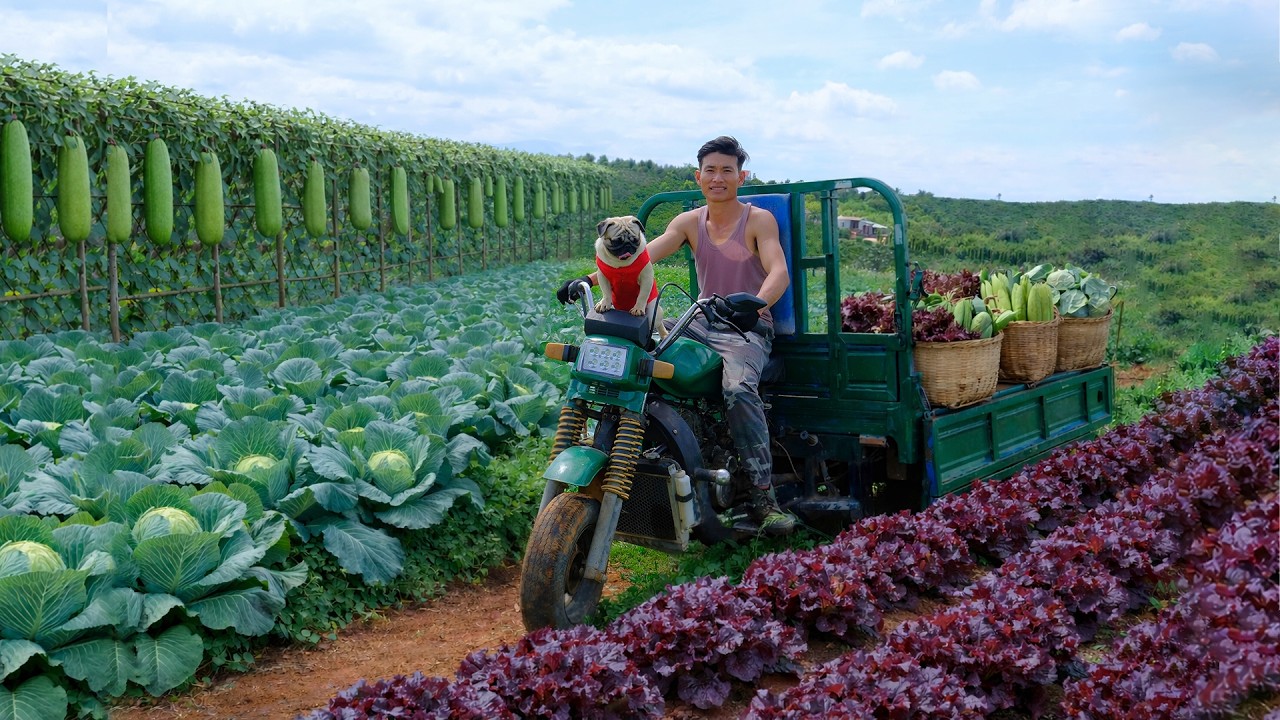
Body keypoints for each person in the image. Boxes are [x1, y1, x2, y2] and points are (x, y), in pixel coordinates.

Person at [555, 135, 795, 535]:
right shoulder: (688, 222)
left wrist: (754, 304)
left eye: (727, 171)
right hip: (699, 320)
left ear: (742, 176)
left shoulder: (758, 220)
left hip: (746, 326)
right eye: (711, 171)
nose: (718, 178)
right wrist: (587, 279)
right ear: (698, 176)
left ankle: (762, 497)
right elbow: (637, 261)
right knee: (644, 368)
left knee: (737, 390)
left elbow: (779, 272)